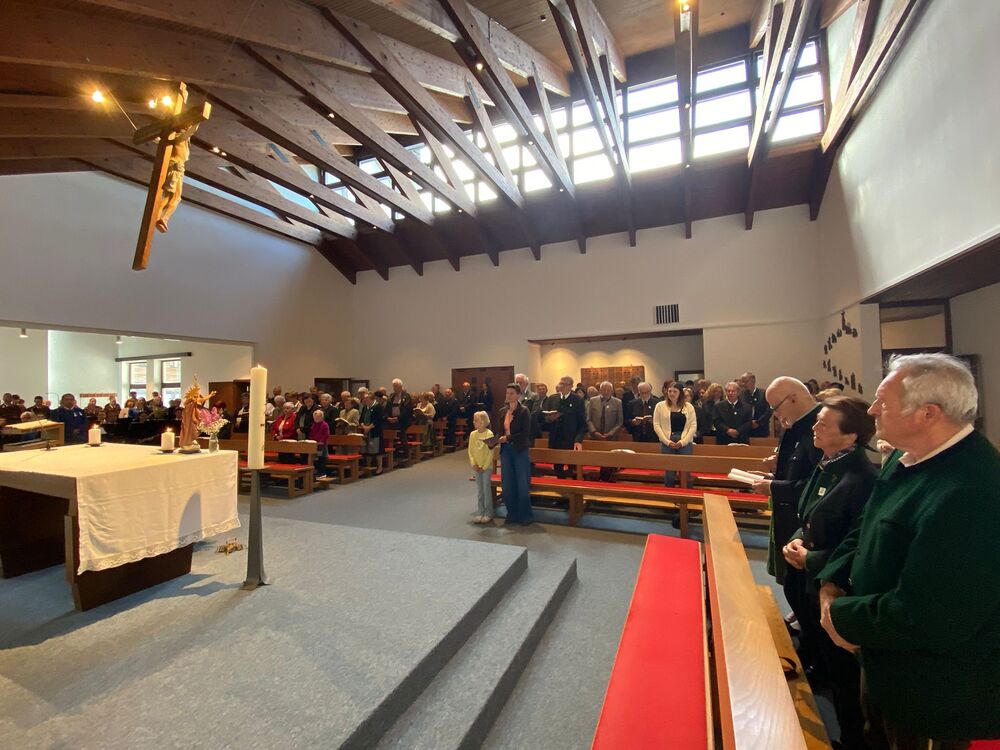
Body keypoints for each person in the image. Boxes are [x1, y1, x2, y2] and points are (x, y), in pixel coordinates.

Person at [817, 354, 1000, 749]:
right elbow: (865, 528)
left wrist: (838, 615)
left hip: (933, 693)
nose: (872, 410)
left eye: (883, 401)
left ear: (927, 414)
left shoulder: (971, 491)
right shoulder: (906, 457)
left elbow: (930, 616)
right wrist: (830, 581)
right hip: (883, 660)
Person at [781, 395, 877, 749]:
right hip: (811, 577)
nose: (815, 427)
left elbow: (858, 542)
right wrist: (796, 538)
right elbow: (809, 512)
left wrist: (812, 559)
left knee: (845, 675)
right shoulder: (829, 465)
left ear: (849, 436)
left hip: (834, 586)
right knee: (829, 665)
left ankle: (852, 740)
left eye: (823, 423)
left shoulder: (861, 478)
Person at [752, 377, 824, 674]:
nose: (775, 414)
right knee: (794, 590)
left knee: (805, 595)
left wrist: (772, 487)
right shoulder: (798, 426)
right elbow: (797, 468)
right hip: (790, 519)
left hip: (804, 523)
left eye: (776, 407)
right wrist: (777, 469)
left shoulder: (816, 428)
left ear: (793, 398)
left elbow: (814, 484)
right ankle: (808, 645)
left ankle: (816, 660)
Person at [497, 384, 533, 525]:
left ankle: (525, 516)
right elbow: (500, 431)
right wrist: (494, 440)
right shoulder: (502, 411)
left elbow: (525, 433)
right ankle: (511, 514)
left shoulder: (524, 411)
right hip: (506, 450)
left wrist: (508, 438)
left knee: (522, 483)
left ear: (518, 395)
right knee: (507, 483)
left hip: (520, 449)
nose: (509, 395)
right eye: (507, 393)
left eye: (512, 393)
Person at [653, 382, 697, 486]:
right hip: (667, 440)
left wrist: (683, 442)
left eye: (675, 391)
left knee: (685, 469)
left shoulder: (688, 406)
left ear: (680, 393)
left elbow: (693, 426)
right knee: (669, 470)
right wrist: (667, 441)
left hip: (684, 440)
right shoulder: (660, 406)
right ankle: (669, 490)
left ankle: (686, 491)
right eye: (670, 391)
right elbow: (656, 425)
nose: (672, 393)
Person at [545, 375, 587, 478]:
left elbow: (582, 424)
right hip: (555, 439)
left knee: (572, 469)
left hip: (570, 439)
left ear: (571, 386)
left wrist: (578, 440)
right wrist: (549, 419)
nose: (561, 386)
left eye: (564, 384)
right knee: (557, 469)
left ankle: (572, 486)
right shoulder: (552, 398)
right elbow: (544, 419)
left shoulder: (577, 400)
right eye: (560, 383)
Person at [467, 410, 496, 524]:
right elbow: (470, 451)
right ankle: (480, 511)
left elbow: (490, 453)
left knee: (486, 490)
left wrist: (484, 466)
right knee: (480, 491)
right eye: (474, 420)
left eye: (476, 420)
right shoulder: (472, 434)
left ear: (483, 422)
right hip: (477, 466)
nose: (474, 422)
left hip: (486, 467)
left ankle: (488, 513)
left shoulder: (489, 434)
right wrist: (473, 464)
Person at [740, 372, 772, 438]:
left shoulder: (764, 393)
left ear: (753, 381)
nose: (743, 384)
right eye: (742, 382)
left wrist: (758, 422)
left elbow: (769, 410)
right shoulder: (741, 395)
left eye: (745, 382)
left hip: (761, 429)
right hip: (746, 430)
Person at [358, 390, 383, 474]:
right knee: (366, 450)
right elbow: (361, 419)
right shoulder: (365, 407)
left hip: (375, 431)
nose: (364, 400)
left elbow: (378, 420)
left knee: (378, 450)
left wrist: (369, 427)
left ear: (371, 398)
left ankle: (380, 467)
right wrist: (363, 426)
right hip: (365, 431)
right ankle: (368, 467)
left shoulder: (378, 406)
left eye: (366, 398)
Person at [308, 408, 330, 478]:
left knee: (321, 459)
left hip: (322, 445)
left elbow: (326, 435)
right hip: (315, 445)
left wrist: (321, 442)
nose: (316, 418)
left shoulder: (325, 425)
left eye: (318, 417)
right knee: (315, 460)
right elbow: (311, 434)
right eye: (315, 417)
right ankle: (316, 472)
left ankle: (322, 473)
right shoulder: (314, 425)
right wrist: (312, 440)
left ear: (321, 417)